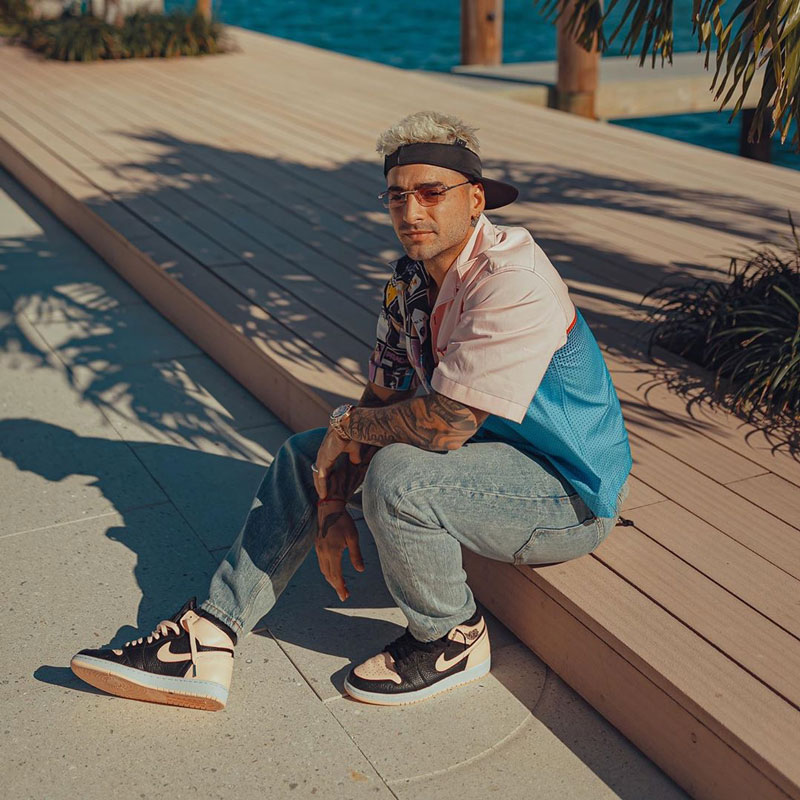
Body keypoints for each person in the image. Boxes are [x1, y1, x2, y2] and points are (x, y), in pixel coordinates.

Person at [70, 110, 632, 711]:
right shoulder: (410, 283)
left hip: (566, 493)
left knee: (398, 477)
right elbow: (382, 398)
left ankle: (452, 637)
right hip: (487, 456)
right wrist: (332, 501)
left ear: (474, 200)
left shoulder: (511, 280)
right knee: (303, 454)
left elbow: (445, 426)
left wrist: (348, 430)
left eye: (431, 193)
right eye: (398, 196)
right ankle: (210, 636)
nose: (411, 212)